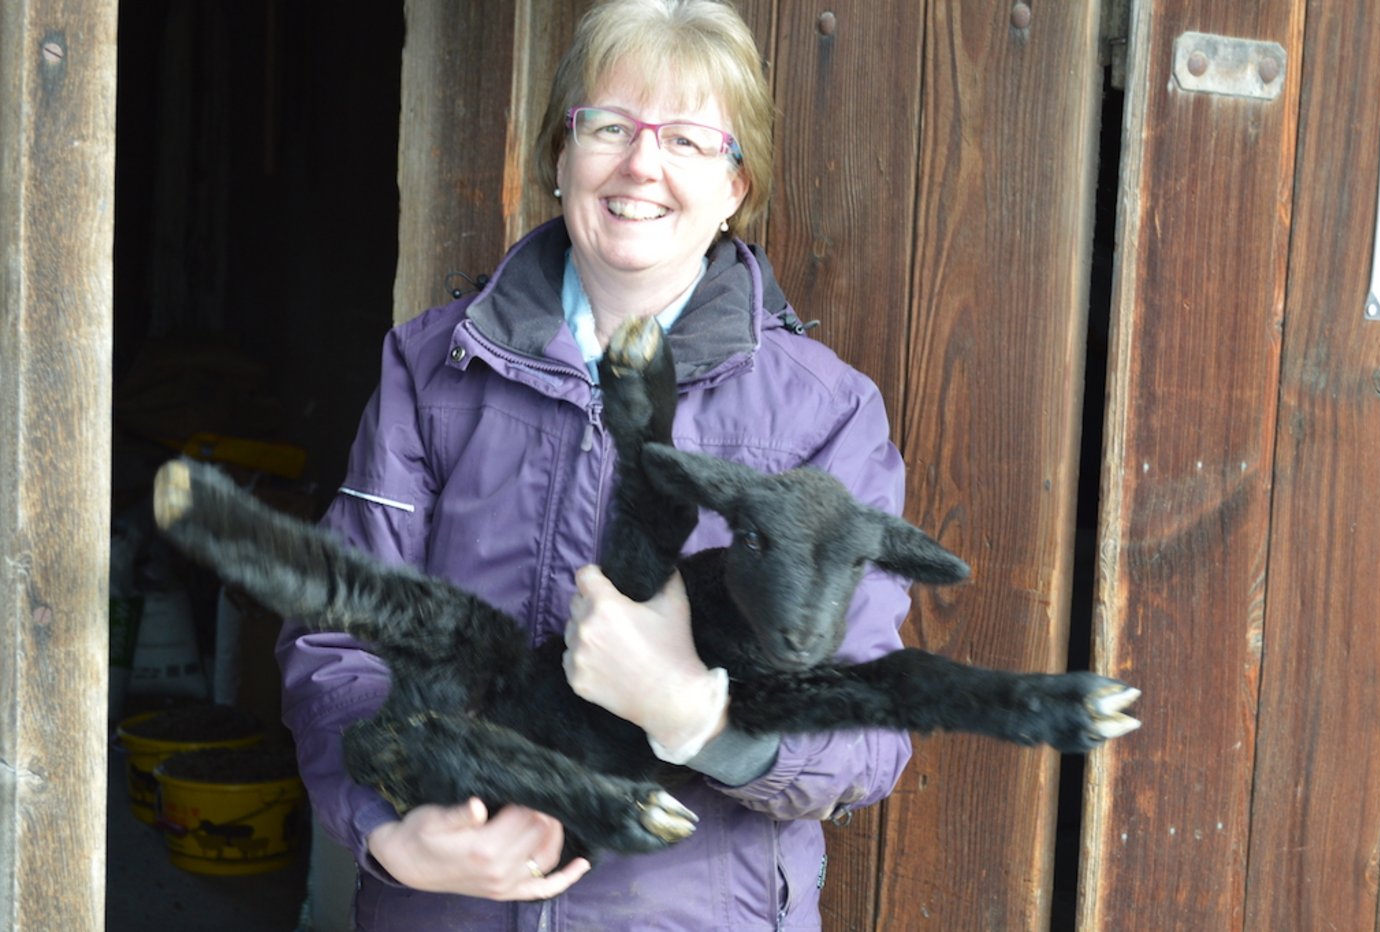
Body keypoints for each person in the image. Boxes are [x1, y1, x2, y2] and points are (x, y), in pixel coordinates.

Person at [276, 0, 916, 927]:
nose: (641, 164)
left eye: (691, 139)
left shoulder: (824, 414)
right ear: (560, 155)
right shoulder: (430, 369)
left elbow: (869, 728)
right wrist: (387, 828)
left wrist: (696, 715)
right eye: (609, 126)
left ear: (738, 183)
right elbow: (336, 638)